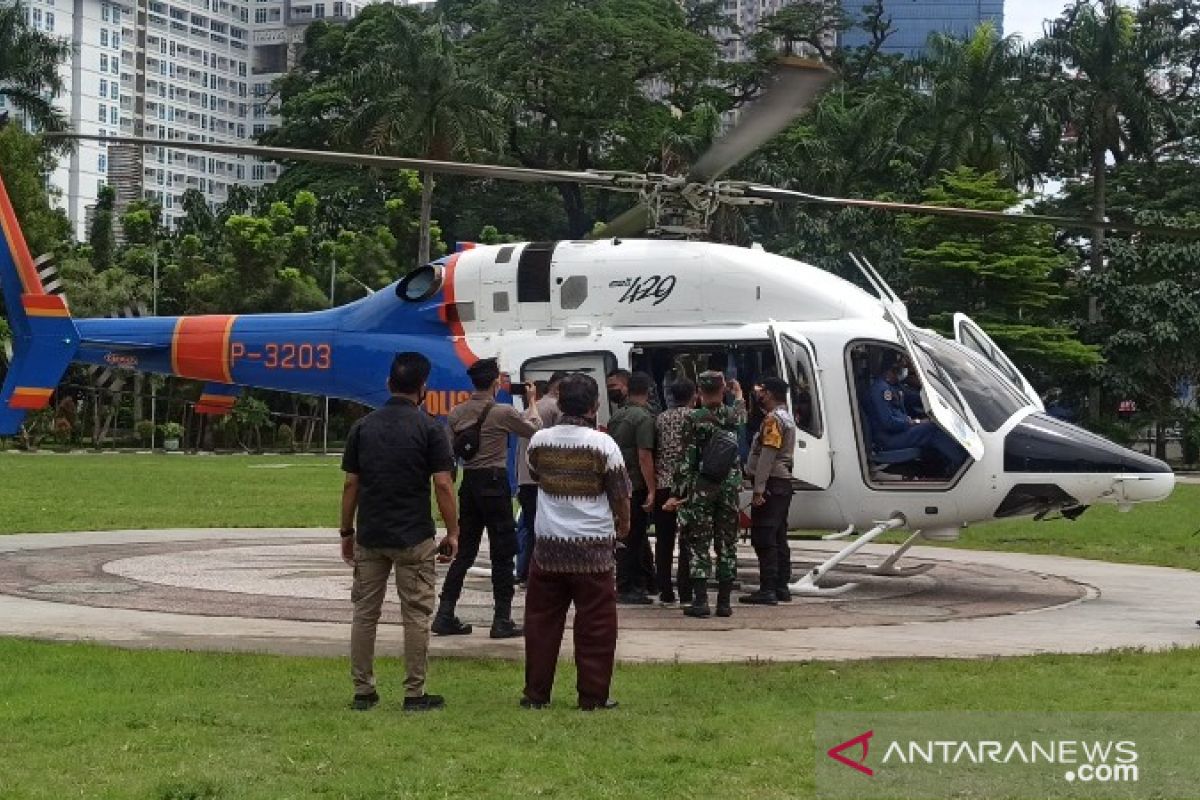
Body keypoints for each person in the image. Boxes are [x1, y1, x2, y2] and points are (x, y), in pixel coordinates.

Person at [340, 352, 460, 712]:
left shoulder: (363, 427)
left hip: (371, 533)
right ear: (423, 388)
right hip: (414, 535)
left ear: (390, 383)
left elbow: (351, 485)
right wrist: (453, 531)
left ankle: (363, 690)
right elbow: (442, 484)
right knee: (416, 615)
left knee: (365, 613)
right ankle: (414, 692)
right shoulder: (430, 429)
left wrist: (347, 531)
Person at [523, 373, 630, 710]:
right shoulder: (603, 444)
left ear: (559, 401)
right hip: (593, 548)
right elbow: (620, 495)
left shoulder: (539, 440)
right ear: (595, 405)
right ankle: (593, 696)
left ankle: (536, 694)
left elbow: (537, 473)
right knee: (596, 625)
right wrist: (623, 527)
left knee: (541, 624)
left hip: (548, 547)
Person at [437, 358, 541, 639]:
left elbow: (450, 453)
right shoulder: (502, 411)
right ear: (495, 381)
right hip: (494, 485)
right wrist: (531, 402)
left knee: (465, 552)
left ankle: (445, 612)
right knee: (503, 552)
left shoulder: (456, 413)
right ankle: (502, 619)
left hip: (469, 485)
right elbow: (534, 429)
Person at [664, 371, 745, 619]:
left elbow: (686, 458)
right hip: (729, 487)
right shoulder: (734, 416)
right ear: (723, 389)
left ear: (699, 391)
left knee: (699, 543)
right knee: (727, 543)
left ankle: (701, 601)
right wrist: (738, 395)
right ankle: (724, 603)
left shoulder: (694, 418)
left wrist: (677, 493)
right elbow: (742, 412)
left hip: (702, 487)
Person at [740, 377, 797, 605]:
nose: (758, 395)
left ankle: (768, 589)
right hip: (781, 485)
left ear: (770, 393)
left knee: (764, 536)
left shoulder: (773, 420)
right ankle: (781, 586)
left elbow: (767, 456)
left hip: (772, 483)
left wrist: (758, 489)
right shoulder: (787, 417)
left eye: (761, 391)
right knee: (778, 535)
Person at [867, 350, 966, 477]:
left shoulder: (894, 386)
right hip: (888, 439)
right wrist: (914, 422)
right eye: (901, 367)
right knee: (932, 429)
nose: (904, 370)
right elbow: (889, 423)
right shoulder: (880, 389)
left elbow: (915, 398)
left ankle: (944, 467)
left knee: (934, 425)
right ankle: (962, 465)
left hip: (899, 431)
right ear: (891, 368)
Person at [607, 371, 657, 604]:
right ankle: (629, 586)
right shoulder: (644, 418)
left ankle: (644, 579)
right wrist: (652, 488)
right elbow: (644, 455)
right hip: (636, 483)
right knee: (633, 539)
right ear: (648, 391)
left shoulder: (618, 416)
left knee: (630, 536)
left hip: (619, 482)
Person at [515, 371, 567, 584]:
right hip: (541, 480)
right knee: (542, 530)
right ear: (557, 388)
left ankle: (525, 571)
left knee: (530, 528)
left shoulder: (530, 410)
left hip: (525, 478)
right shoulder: (554, 409)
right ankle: (534, 573)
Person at [652, 377, 695, 604]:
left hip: (662, 484)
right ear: (692, 396)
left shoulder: (660, 419)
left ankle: (665, 588)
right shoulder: (695, 418)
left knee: (664, 539)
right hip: (687, 484)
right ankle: (686, 588)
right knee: (687, 538)